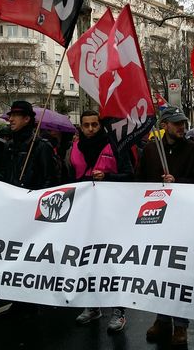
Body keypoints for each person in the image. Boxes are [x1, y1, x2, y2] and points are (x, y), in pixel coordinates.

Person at [136, 106, 194, 346]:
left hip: (185, 222)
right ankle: (162, 320)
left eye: (183, 122)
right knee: (159, 273)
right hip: (157, 220)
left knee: (180, 275)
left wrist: (178, 182)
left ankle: (181, 326)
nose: (181, 126)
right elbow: (138, 184)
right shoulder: (149, 151)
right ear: (164, 125)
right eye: (176, 122)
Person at [70, 110, 133, 332]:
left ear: (100, 126)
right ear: (80, 126)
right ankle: (92, 306)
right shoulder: (74, 149)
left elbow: (130, 175)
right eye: (86, 125)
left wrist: (108, 178)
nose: (90, 129)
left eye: (94, 125)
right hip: (85, 214)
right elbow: (68, 179)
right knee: (87, 261)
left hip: (112, 214)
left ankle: (119, 311)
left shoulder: (116, 145)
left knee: (113, 263)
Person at [0, 101, 59, 189]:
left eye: (15, 115)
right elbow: (3, 174)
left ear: (26, 119)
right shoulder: (9, 145)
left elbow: (50, 181)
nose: (10, 119)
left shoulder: (41, 146)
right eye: (10, 115)